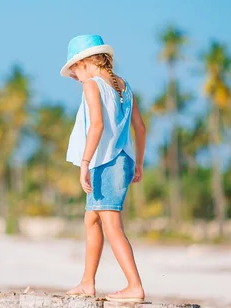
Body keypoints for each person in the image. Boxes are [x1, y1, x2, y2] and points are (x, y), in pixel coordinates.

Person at [60, 35, 146, 303]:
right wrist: (139, 162)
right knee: (92, 219)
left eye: (74, 70)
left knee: (111, 224)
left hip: (105, 162)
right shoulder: (123, 85)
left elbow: (96, 125)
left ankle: (134, 286)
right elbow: (140, 128)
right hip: (123, 160)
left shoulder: (92, 86)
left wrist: (84, 163)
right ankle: (87, 282)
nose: (74, 77)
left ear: (84, 63)